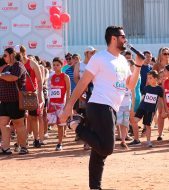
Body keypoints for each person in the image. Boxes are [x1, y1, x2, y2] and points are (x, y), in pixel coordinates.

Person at [59, 26, 143, 189]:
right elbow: (83, 82)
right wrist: (69, 105)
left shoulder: (123, 61)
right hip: (99, 105)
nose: (125, 40)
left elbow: (130, 85)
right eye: (122, 37)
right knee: (107, 148)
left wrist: (138, 66)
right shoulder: (100, 58)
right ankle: (76, 125)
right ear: (113, 38)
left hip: (112, 108)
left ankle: (95, 187)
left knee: (99, 153)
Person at [0, 47, 28, 155]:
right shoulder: (6, 67)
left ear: (12, 55)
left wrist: (1, 75)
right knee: (3, 124)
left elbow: (13, 77)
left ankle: (24, 147)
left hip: (16, 101)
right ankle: (6, 148)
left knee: (19, 124)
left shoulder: (19, 65)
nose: (4, 57)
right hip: (4, 101)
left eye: (5, 55)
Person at [129, 70, 164, 147]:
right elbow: (143, 98)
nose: (149, 80)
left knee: (148, 125)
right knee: (134, 121)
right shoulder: (146, 88)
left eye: (150, 78)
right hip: (142, 108)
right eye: (148, 78)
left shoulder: (159, 89)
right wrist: (137, 107)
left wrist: (163, 110)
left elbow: (161, 100)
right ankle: (136, 140)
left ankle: (148, 141)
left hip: (151, 110)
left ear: (155, 78)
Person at [19, 45, 44, 147]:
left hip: (31, 94)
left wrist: (40, 94)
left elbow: (39, 79)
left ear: (23, 52)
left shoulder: (32, 63)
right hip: (20, 94)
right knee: (21, 118)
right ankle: (23, 141)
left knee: (33, 117)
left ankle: (36, 139)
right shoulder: (17, 64)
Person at [47, 57, 70, 150]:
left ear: (61, 65)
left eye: (57, 65)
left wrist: (68, 104)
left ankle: (59, 143)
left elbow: (68, 91)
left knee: (60, 125)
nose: (55, 67)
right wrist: (49, 103)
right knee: (52, 124)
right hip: (52, 104)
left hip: (61, 103)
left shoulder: (65, 76)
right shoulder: (51, 77)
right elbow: (50, 90)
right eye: (54, 65)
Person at [153, 47, 169, 141]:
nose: (166, 55)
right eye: (164, 53)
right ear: (160, 55)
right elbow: (153, 78)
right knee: (161, 112)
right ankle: (160, 133)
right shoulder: (156, 65)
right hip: (161, 91)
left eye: (168, 53)